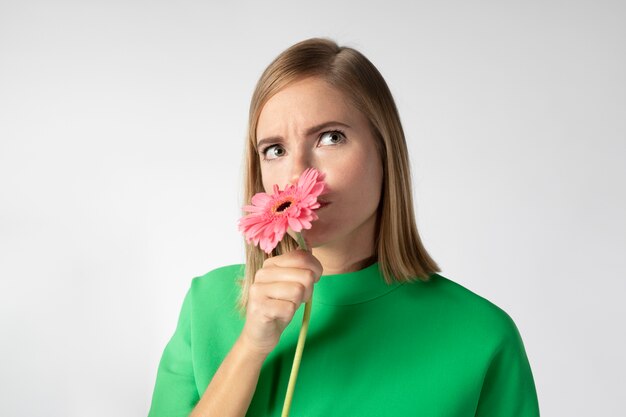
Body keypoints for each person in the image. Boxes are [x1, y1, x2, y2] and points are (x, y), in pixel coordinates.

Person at [147, 38, 540, 417]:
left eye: (330, 138)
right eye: (275, 150)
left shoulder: (482, 336)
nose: (298, 171)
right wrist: (251, 346)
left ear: (385, 153)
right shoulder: (206, 306)